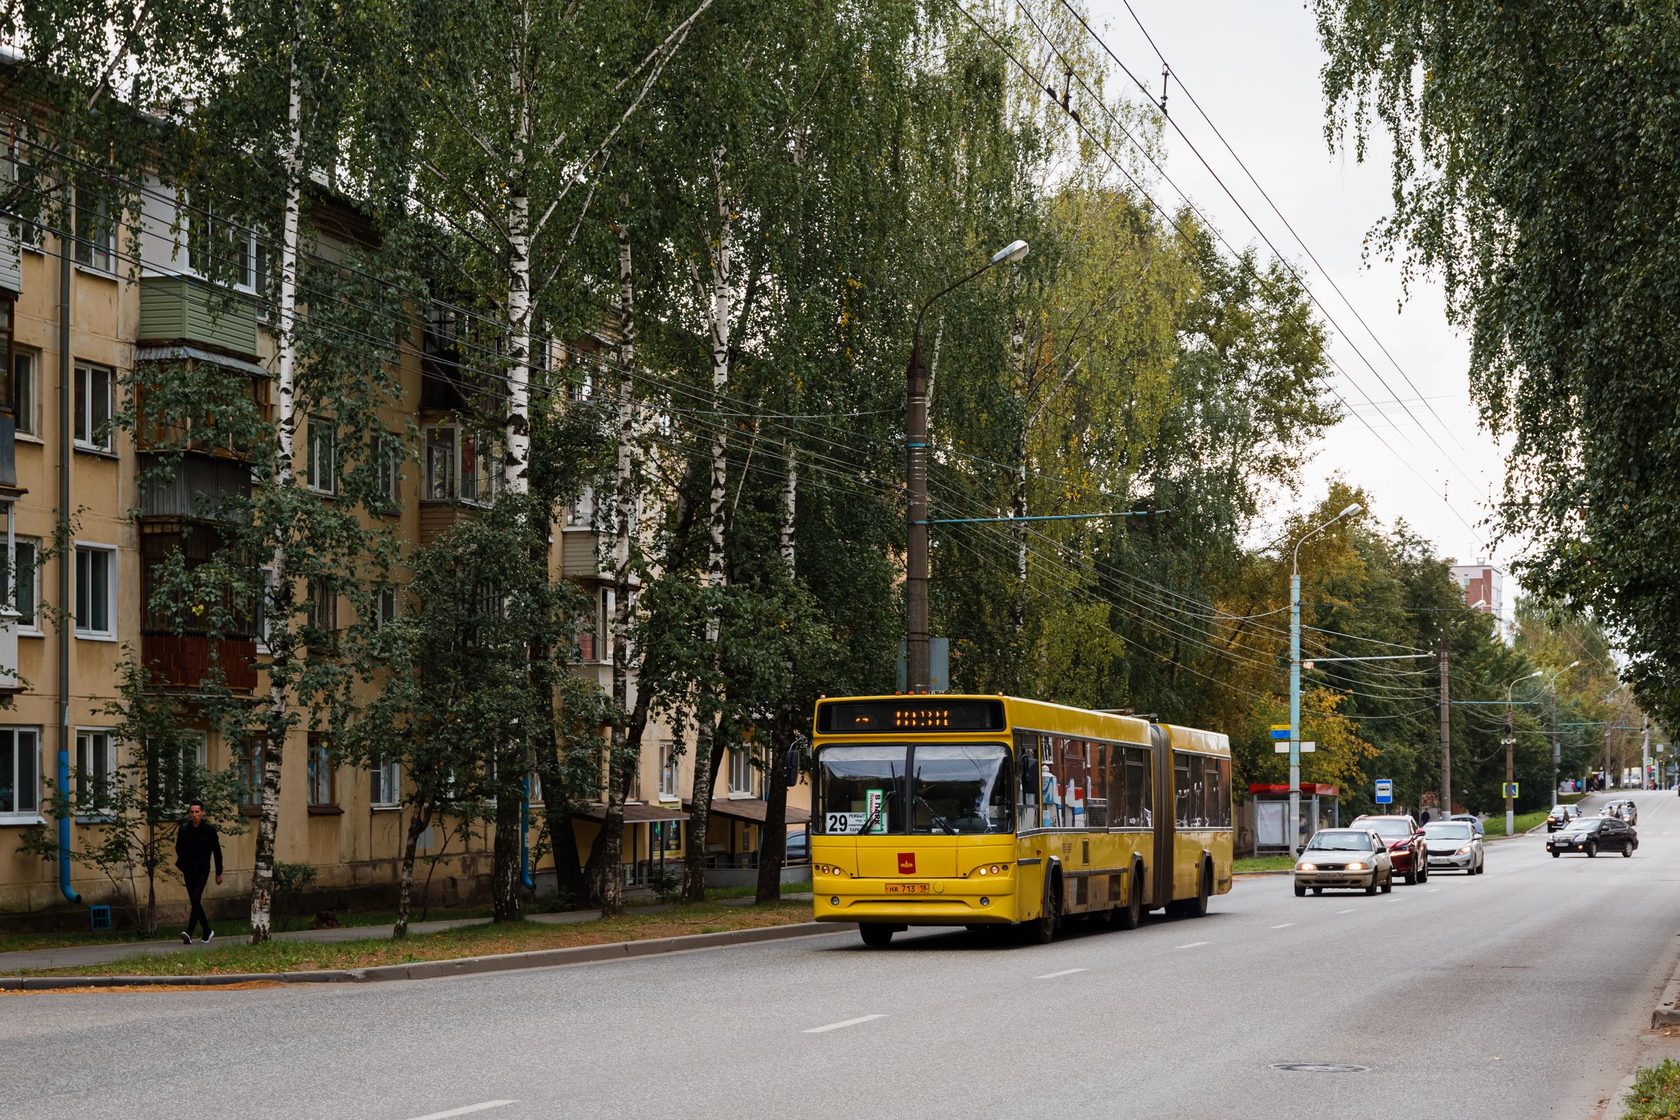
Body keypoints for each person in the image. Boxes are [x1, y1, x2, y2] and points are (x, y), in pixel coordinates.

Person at [175, 799, 223, 944]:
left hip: (203, 869)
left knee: (196, 899)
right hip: (188, 869)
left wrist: (218, 873)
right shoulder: (184, 829)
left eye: (197, 812)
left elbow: (217, 852)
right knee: (195, 901)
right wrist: (184, 861)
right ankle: (207, 930)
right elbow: (178, 847)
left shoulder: (209, 830)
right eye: (192, 812)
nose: (194, 814)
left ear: (202, 813)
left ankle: (189, 932)